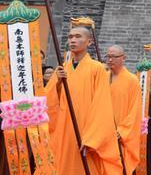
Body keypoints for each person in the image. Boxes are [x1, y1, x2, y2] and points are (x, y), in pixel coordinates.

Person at [45, 26, 122, 174]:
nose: (73, 40)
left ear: (89, 42)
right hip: (63, 129)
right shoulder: (62, 69)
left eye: (78, 36)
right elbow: (49, 101)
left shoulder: (97, 69)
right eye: (70, 37)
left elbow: (102, 105)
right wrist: (58, 84)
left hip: (85, 131)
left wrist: (92, 137)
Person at [106, 45, 142, 174]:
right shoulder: (103, 77)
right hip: (104, 133)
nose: (110, 60)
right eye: (108, 56)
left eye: (114, 57)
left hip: (121, 135)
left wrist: (121, 131)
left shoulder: (132, 80)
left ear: (123, 58)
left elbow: (135, 110)